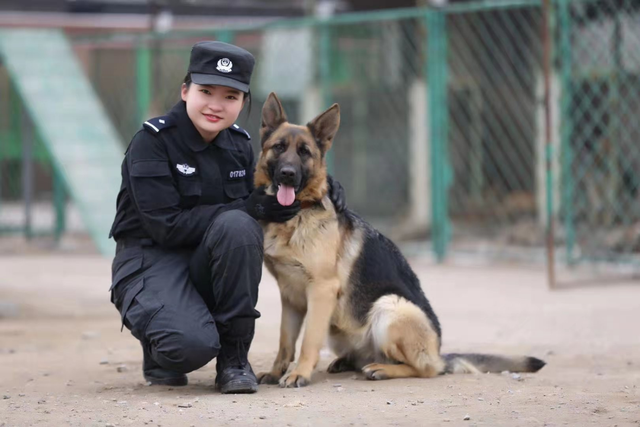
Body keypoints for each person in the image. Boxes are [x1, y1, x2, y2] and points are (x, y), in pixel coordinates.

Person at [108, 41, 346, 394]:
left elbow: (263, 189)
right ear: (186, 91)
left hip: (202, 260)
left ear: (243, 103)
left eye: (231, 97)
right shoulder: (152, 142)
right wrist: (252, 208)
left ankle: (235, 360)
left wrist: (321, 183)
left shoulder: (237, 145)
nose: (217, 105)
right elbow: (166, 227)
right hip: (150, 260)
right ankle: (160, 346)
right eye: (206, 92)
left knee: (238, 226)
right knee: (188, 347)